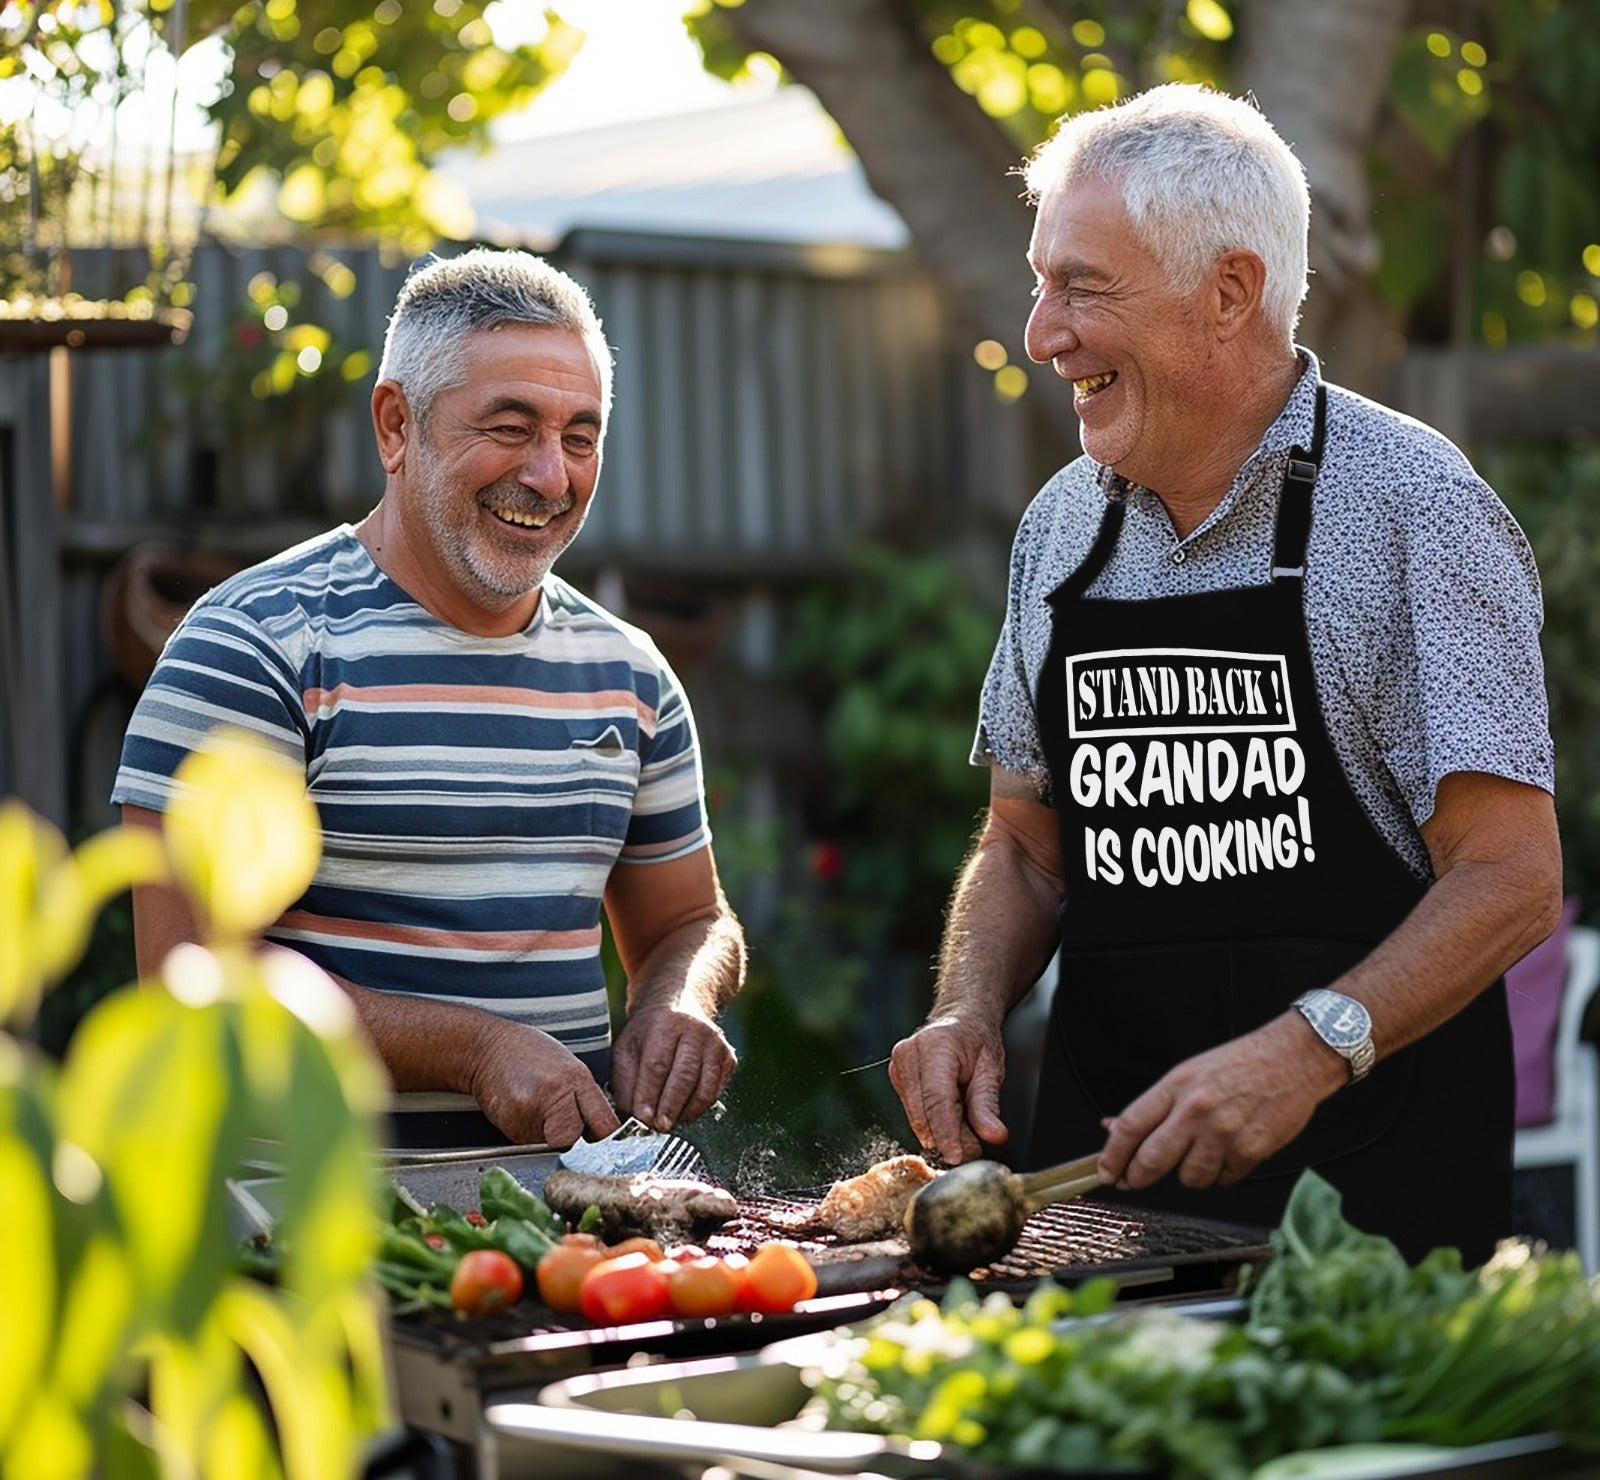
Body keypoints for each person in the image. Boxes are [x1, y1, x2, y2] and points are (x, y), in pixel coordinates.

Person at [889, 84, 1563, 1264]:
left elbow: (1508, 876)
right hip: (1098, 1210)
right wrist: (967, 1004)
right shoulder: (1059, 529)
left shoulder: (1417, 510)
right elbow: (1023, 845)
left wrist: (1305, 1051)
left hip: (1364, 1219)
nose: (1041, 333)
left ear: (1230, 291)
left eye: (1082, 287)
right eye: (1042, 283)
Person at [115, 248, 746, 1151]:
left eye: (580, 436)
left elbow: (689, 920)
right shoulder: (253, 648)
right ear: (395, 424)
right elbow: (188, 982)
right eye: (510, 426)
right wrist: (474, 1052)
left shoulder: (631, 674)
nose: (551, 476)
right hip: (295, 1241)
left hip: (554, 1241)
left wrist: (675, 999)